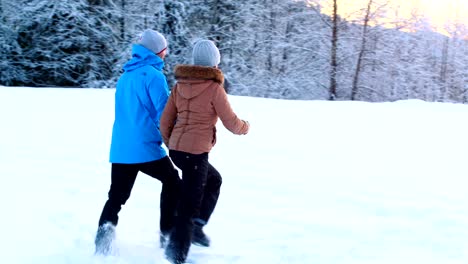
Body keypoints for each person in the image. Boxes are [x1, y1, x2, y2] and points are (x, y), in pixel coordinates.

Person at [160, 40, 250, 264]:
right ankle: (176, 255)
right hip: (195, 153)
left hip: (178, 151)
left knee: (213, 180)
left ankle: (197, 228)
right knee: (189, 204)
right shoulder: (213, 88)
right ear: (214, 63)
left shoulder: (180, 85)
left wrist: (171, 141)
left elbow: (165, 120)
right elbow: (230, 121)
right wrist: (244, 127)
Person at [94, 29, 182, 255]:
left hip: (121, 148)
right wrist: (176, 137)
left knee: (116, 197)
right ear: (157, 51)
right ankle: (168, 236)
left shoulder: (126, 76)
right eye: (164, 50)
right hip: (145, 148)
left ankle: (102, 244)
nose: (165, 54)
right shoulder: (153, 76)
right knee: (173, 182)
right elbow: (163, 114)